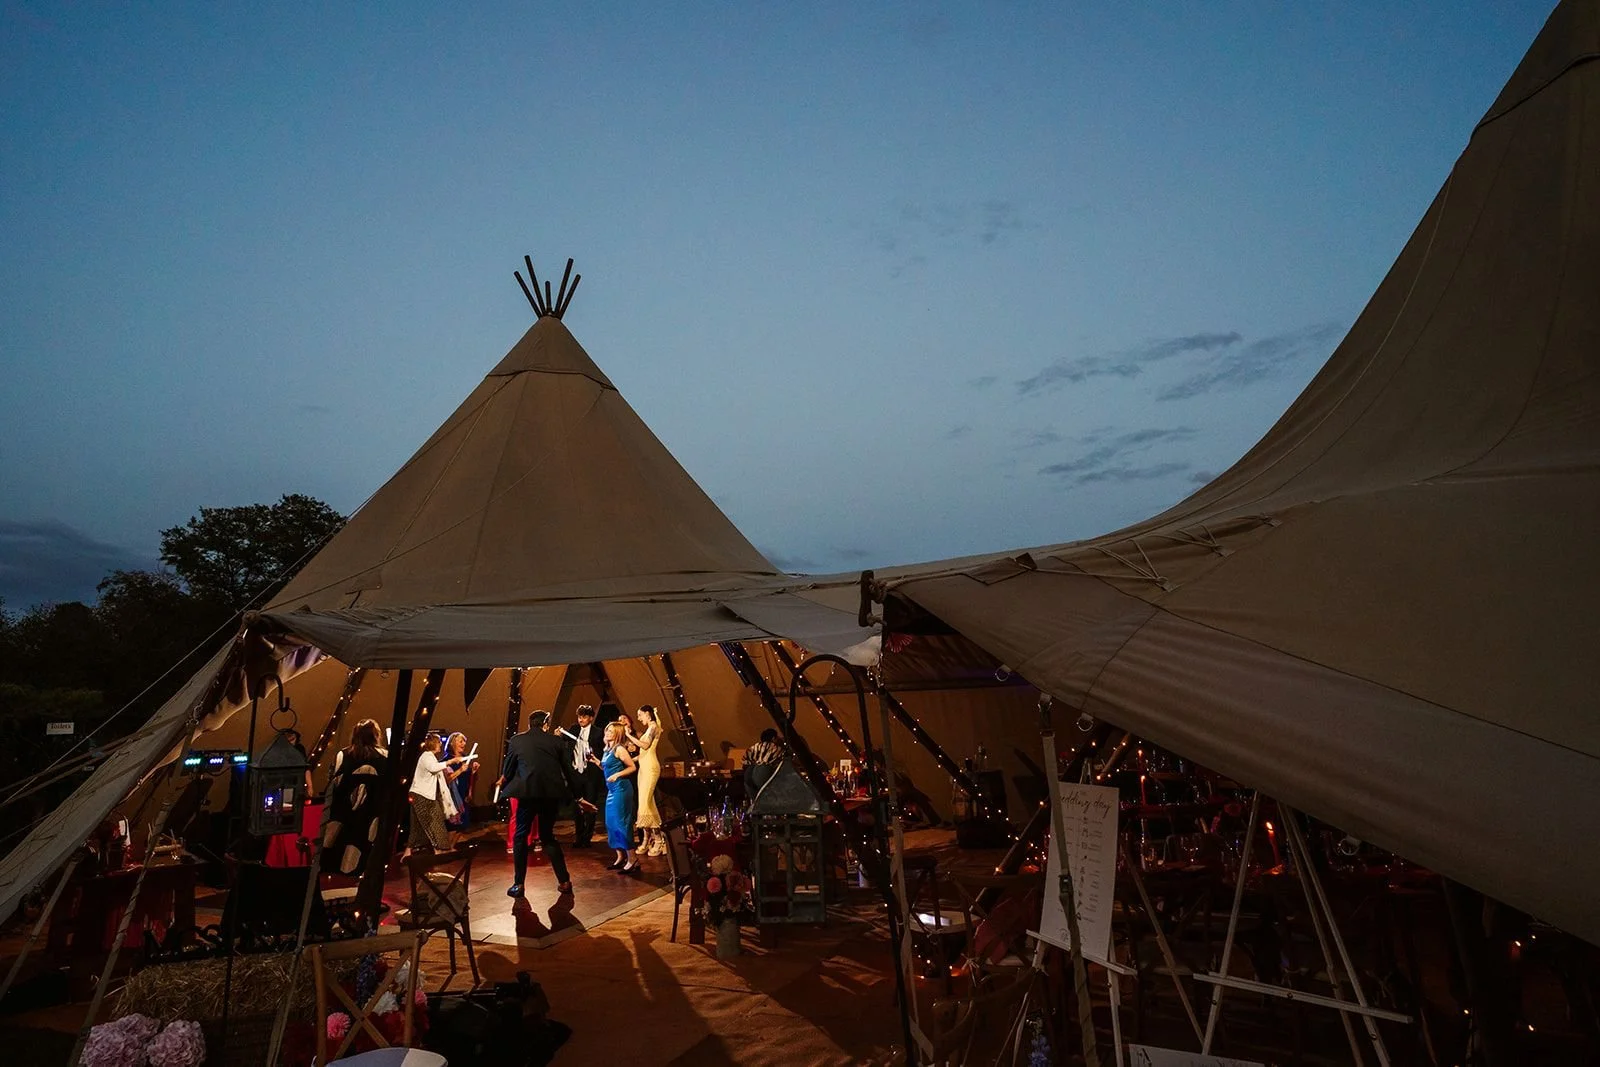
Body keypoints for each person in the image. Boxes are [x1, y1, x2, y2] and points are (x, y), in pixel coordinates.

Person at [497, 710, 595, 898]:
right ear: (546, 724)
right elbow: (568, 771)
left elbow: (508, 770)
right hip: (550, 795)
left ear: (529, 724)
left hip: (527, 794)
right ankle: (564, 881)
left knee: (520, 836)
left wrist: (507, 783)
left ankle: (518, 884)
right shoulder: (556, 742)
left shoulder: (517, 740)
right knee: (548, 837)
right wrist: (579, 798)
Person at [321, 719, 389, 876]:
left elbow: (332, 781)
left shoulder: (343, 754)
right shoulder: (385, 756)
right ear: (376, 735)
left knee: (340, 841)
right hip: (371, 812)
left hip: (343, 810)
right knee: (362, 842)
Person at [410, 733, 474, 853]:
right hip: (427, 795)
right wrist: (453, 764)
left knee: (456, 824)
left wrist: (471, 773)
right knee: (437, 823)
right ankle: (441, 849)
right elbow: (439, 773)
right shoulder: (428, 757)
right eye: (461, 741)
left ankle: (442, 849)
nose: (440, 744)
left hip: (442, 795)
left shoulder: (433, 757)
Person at [599, 721, 641, 875]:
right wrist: (595, 761)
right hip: (611, 790)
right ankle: (620, 857)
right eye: (607, 730)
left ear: (617, 733)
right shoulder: (607, 749)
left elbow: (632, 767)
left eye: (611, 731)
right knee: (611, 823)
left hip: (621, 789)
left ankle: (632, 858)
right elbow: (607, 767)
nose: (608, 732)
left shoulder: (620, 749)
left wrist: (617, 774)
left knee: (622, 822)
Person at [626, 705, 664, 856]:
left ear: (648, 714)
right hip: (644, 767)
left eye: (640, 715)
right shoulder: (649, 727)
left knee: (646, 803)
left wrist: (629, 736)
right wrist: (628, 760)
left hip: (651, 768)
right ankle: (648, 838)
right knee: (645, 803)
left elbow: (645, 745)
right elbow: (643, 753)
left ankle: (658, 838)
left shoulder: (653, 726)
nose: (639, 718)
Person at [568, 706, 606, 847]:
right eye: (579, 717)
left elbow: (602, 749)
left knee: (590, 805)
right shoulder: (573, 730)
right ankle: (579, 837)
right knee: (576, 806)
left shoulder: (598, 732)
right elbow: (566, 744)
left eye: (584, 717)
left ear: (590, 718)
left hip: (590, 774)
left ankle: (587, 837)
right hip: (575, 772)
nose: (581, 720)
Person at [444, 731, 476, 829]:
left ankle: (452, 845)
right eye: (461, 741)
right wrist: (460, 770)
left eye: (464, 742)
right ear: (452, 743)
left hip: (463, 797)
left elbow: (468, 779)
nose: (464, 744)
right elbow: (446, 781)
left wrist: (470, 792)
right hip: (452, 798)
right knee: (452, 828)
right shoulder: (446, 761)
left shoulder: (466, 760)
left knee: (462, 827)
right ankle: (448, 845)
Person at [743, 728, 784, 796]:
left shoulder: (753, 747)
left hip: (748, 775)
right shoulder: (776, 748)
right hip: (763, 775)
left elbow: (744, 762)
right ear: (773, 738)